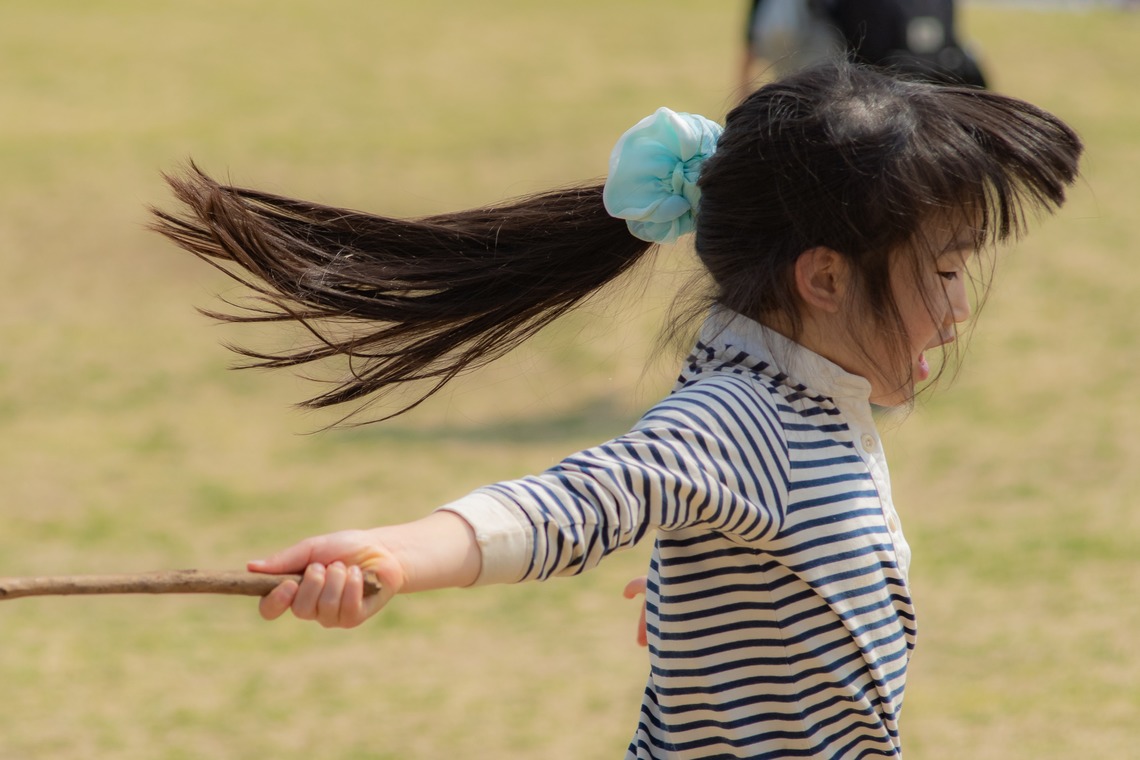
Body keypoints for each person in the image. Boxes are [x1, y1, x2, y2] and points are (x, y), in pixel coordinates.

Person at [151, 62, 1081, 758]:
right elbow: (575, 503)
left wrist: (707, 605)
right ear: (826, 276)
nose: (960, 310)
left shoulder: (799, 392)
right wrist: (395, 553)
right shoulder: (744, 418)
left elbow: (747, 530)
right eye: (947, 273)